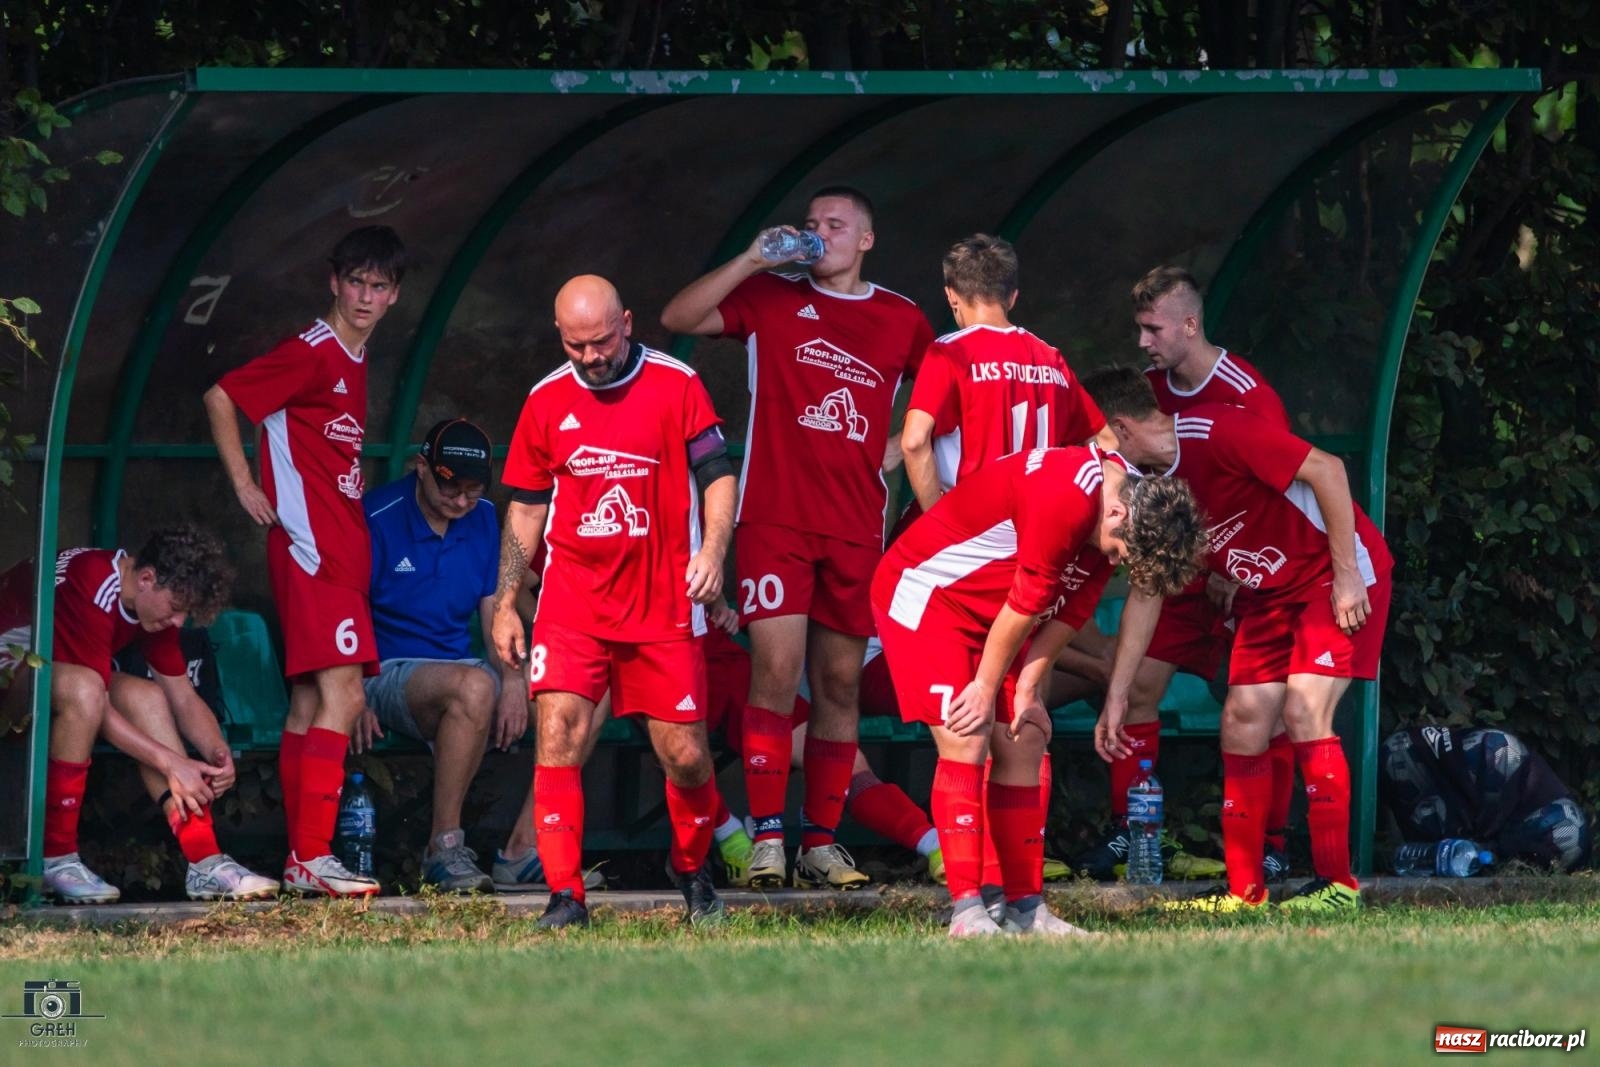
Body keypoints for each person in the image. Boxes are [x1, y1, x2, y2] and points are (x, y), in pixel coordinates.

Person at [661, 186, 933, 890]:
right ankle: (768, 839)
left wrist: (904, 452)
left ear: (866, 239)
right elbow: (677, 316)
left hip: (854, 525)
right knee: (776, 673)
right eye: (811, 225)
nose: (818, 235)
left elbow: (939, 398)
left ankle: (820, 839)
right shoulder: (773, 296)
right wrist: (754, 257)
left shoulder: (901, 316)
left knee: (839, 682)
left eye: (834, 225)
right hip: (776, 517)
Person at [1083, 366, 1393, 913]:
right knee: (1242, 721)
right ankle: (1244, 892)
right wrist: (1117, 692)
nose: (1096, 455)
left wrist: (1346, 574)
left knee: (1303, 712)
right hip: (1269, 592)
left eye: (1098, 439)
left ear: (1122, 428)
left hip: (1332, 575)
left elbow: (1328, 469)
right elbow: (1149, 589)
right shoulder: (1153, 486)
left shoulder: (1218, 432)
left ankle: (1339, 886)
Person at [872, 445, 1206, 937]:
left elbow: (1071, 608)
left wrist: (1027, 685)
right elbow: (1028, 603)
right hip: (931, 597)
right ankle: (968, 912)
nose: (1116, 559)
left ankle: (1026, 909)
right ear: (1116, 513)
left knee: (1025, 737)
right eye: (1120, 551)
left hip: (998, 612)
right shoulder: (1066, 499)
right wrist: (986, 687)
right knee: (968, 733)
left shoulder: (1124, 497)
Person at [492, 275, 736, 929]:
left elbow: (718, 476)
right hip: (573, 605)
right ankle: (566, 896)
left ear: (626, 323)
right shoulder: (545, 400)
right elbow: (526, 508)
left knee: (685, 753)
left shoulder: (677, 383)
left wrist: (712, 553)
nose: (593, 357)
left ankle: (690, 866)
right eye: (577, 346)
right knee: (559, 735)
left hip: (663, 603)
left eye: (602, 341)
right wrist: (507, 599)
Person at [899, 232, 1116, 902]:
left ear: (954, 299)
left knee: (968, 731)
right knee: (1021, 725)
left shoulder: (950, 350)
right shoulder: (1049, 357)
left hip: (973, 556)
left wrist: (938, 521)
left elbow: (913, 438)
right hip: (1038, 557)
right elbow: (1106, 440)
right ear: (1015, 294)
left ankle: (981, 896)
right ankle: (1017, 896)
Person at [203, 225, 406, 898]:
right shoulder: (315, 351)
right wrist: (244, 484)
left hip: (339, 549)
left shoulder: (355, 356)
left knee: (310, 701)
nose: (365, 296)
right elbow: (222, 396)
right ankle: (313, 856)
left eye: (379, 285)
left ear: (395, 295)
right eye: (356, 281)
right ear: (333, 281)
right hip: (311, 547)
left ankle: (300, 857)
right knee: (345, 695)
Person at [1075, 265, 1291, 882]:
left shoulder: (1248, 396)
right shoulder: (1148, 395)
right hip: (1177, 573)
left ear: (1190, 325)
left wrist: (1238, 569)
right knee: (1137, 687)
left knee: (1260, 711)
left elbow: (1282, 491)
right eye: (1140, 329)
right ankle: (1135, 834)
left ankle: (1270, 843)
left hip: (1245, 577)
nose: (1144, 342)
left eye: (1153, 329)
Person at [27, 527, 279, 902]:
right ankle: (55, 858)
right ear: (147, 579)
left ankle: (206, 861)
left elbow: (182, 695)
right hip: (10, 667)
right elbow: (95, 704)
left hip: (47, 673)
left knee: (146, 696)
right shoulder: (96, 584)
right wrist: (172, 762)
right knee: (85, 691)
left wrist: (217, 752)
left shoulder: (145, 605)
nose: (178, 622)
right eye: (176, 609)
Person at [360, 418, 528, 893]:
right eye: (451, 488)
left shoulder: (481, 520)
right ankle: (444, 846)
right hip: (387, 671)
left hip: (463, 670)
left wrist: (514, 682)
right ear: (421, 467)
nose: (461, 502)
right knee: (473, 687)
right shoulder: (376, 515)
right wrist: (348, 689)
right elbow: (345, 610)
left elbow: (496, 613)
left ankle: (528, 848)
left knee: (578, 690)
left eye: (474, 491)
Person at [699, 605, 944, 886]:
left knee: (849, 765)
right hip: (670, 650)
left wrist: (718, 603)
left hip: (740, 659)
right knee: (679, 749)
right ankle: (731, 836)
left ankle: (935, 845)